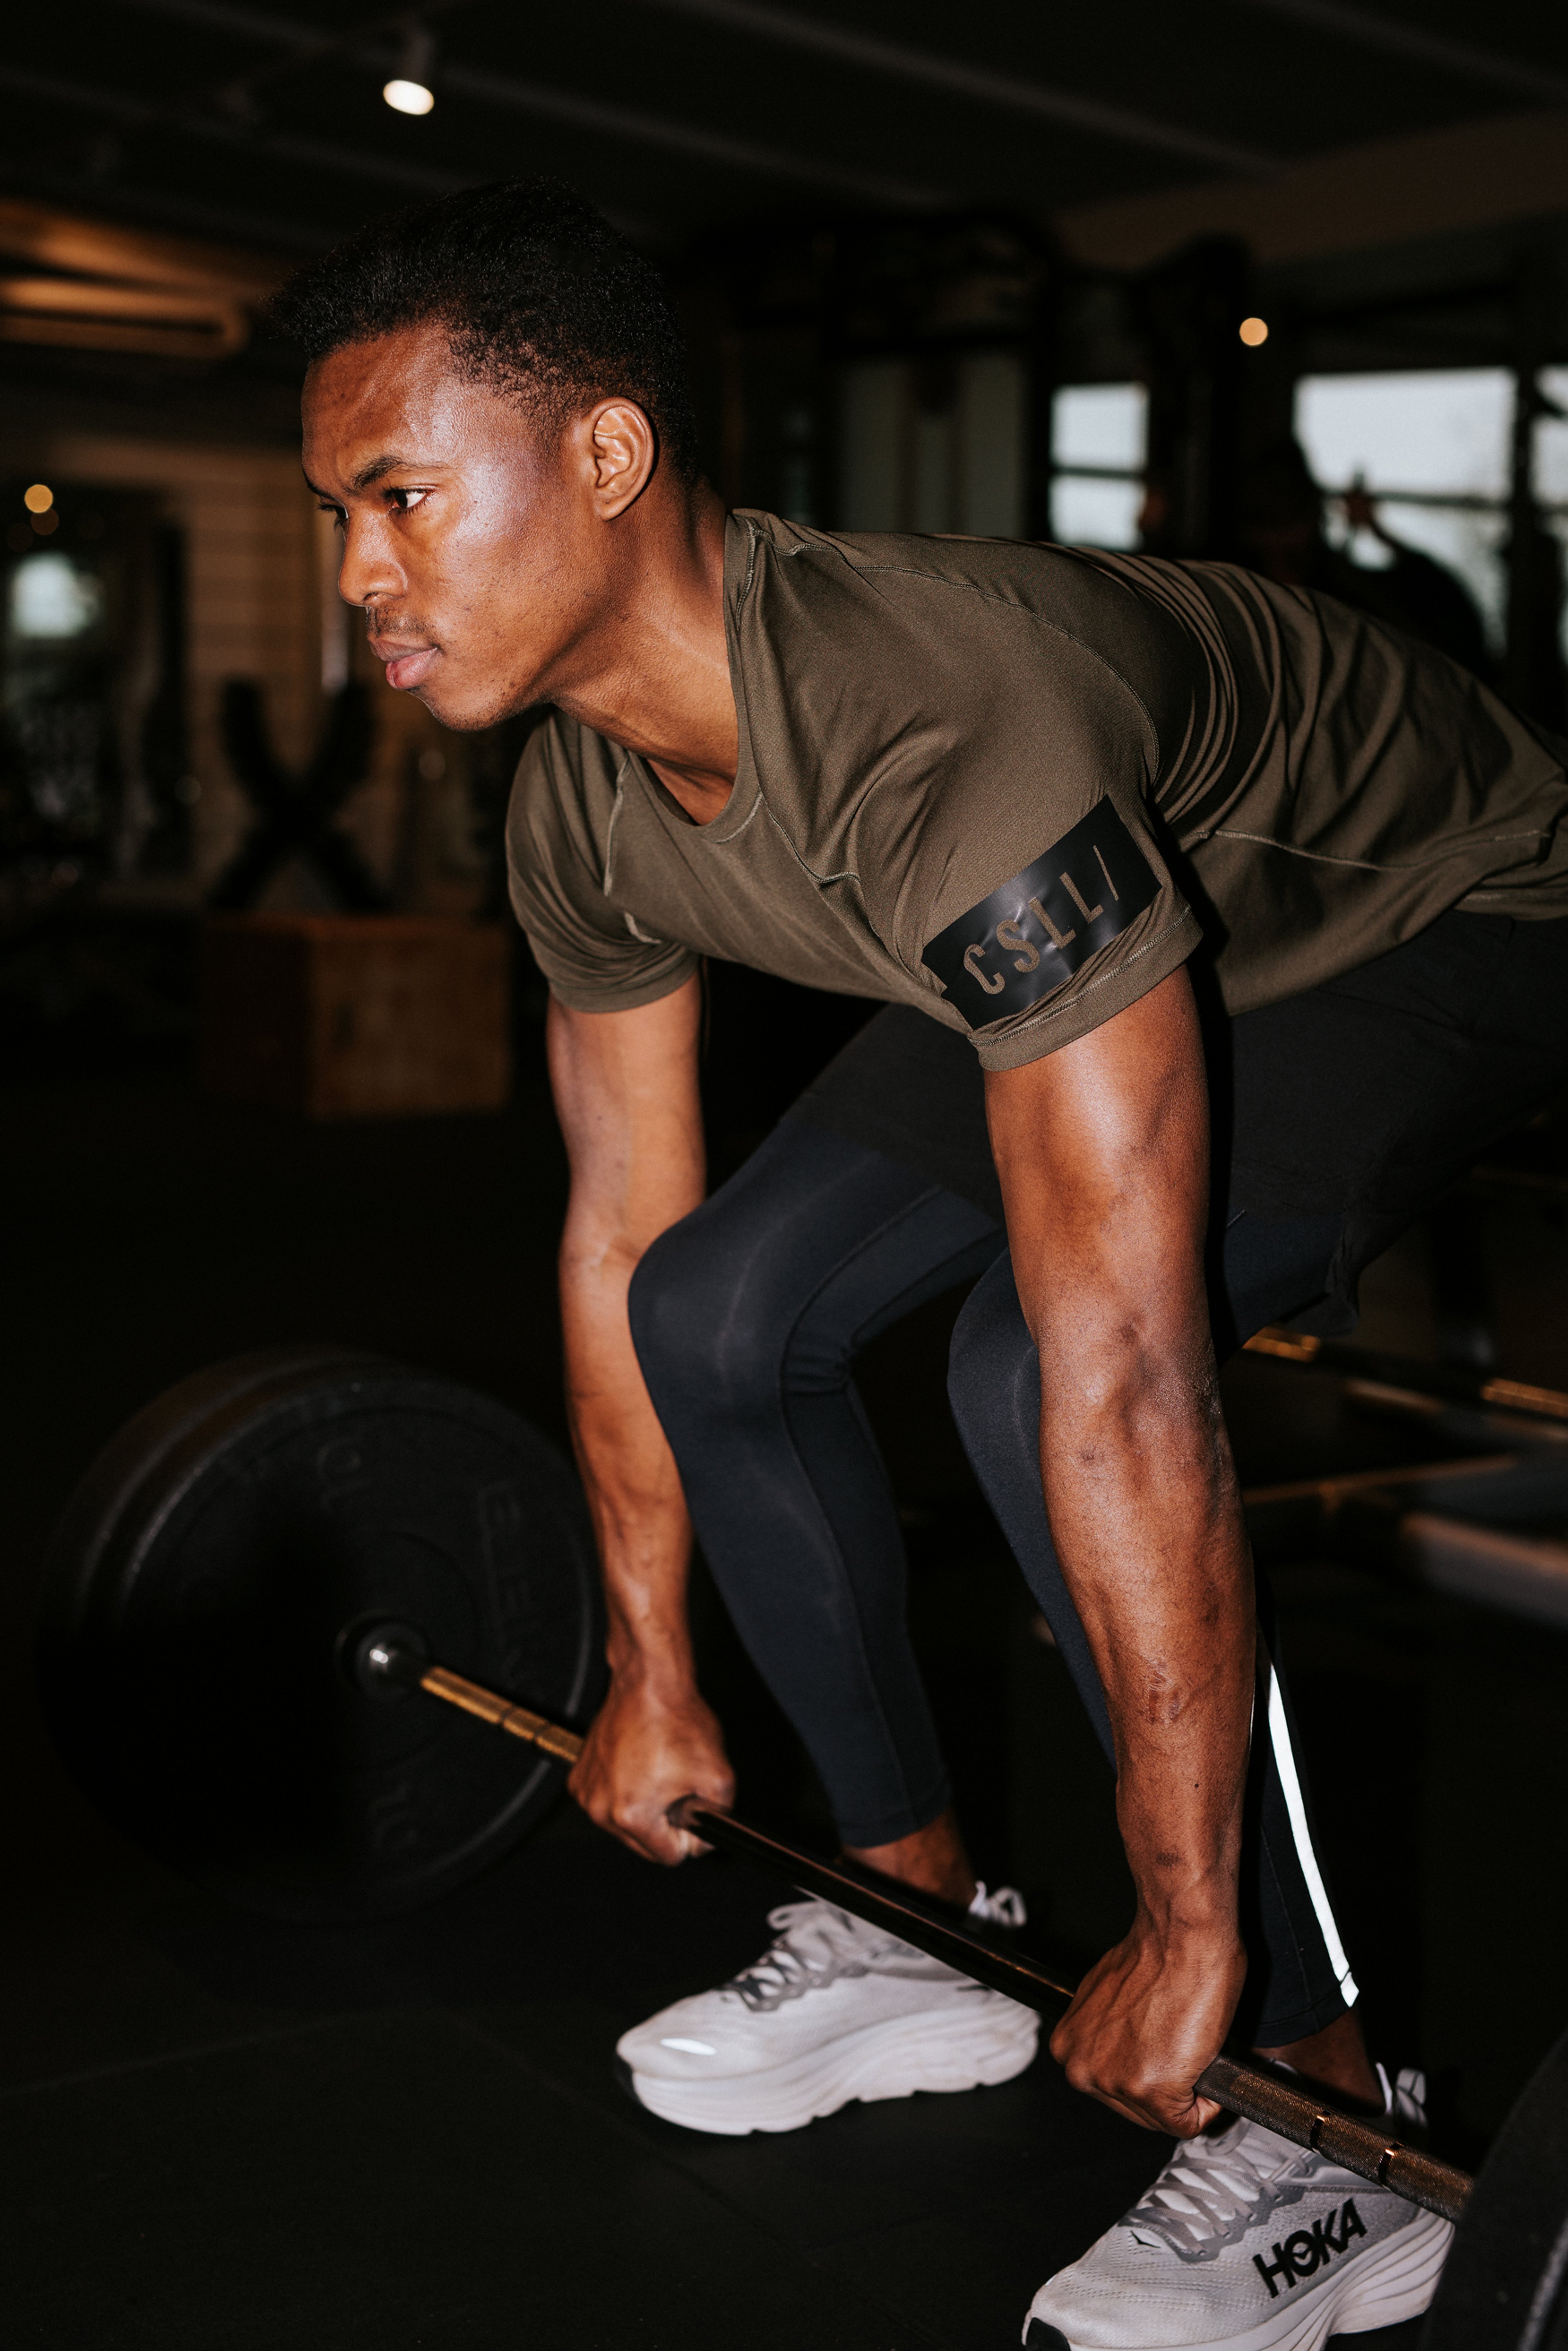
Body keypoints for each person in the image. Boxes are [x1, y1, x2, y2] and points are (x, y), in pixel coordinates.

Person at [279, 182, 1568, 2351]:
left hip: (1450, 913)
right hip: (1095, 908)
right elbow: (622, 1244)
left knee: (1012, 1366)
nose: (359, 577)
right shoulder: (583, 805)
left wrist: (1180, 1931)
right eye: (335, 515)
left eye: (397, 496)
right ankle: (906, 1908)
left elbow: (1125, 1369)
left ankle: (1338, 2110)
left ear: (603, 454)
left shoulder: (939, 723)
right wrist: (648, 1660)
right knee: (722, 1308)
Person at [1238, 436, 1492, 678]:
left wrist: (1378, 532)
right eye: (1268, 513)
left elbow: (1441, 627)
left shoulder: (1350, 593)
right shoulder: (1237, 597)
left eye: (1285, 506)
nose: (1281, 535)